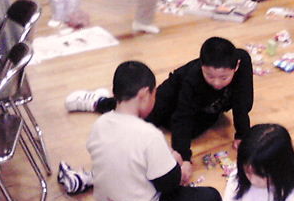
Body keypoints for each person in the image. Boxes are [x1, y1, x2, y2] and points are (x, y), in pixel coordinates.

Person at [62, 37, 253, 189]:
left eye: (224, 77)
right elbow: (182, 117)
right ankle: (100, 101)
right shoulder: (192, 78)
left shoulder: (242, 61)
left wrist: (242, 134)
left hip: (205, 107)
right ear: (201, 66)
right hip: (172, 95)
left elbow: (243, 99)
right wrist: (185, 158)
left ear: (236, 66)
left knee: (192, 130)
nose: (217, 82)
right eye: (210, 76)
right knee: (144, 113)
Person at [86, 60, 222, 201]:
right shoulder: (149, 135)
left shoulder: (100, 124)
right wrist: (177, 165)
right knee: (212, 199)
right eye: (154, 95)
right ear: (144, 94)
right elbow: (169, 185)